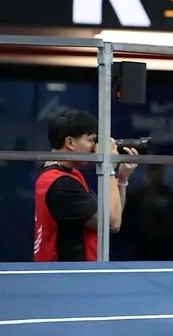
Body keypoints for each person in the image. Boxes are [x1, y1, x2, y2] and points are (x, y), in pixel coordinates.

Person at [33, 109, 138, 262]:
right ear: (70, 143)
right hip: (67, 271)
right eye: (91, 140)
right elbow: (112, 223)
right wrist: (108, 168)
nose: (95, 148)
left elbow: (111, 215)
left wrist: (122, 179)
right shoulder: (62, 185)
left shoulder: (62, 174)